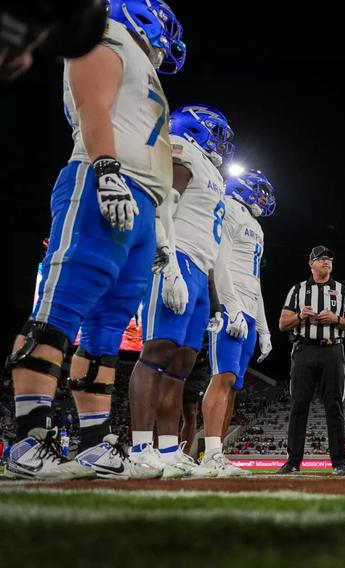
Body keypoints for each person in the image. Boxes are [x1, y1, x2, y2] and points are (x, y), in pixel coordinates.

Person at [4, 0, 185, 480]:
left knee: (106, 331)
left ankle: (94, 445)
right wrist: (106, 170)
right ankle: (28, 441)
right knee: (60, 307)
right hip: (104, 180)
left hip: (142, 200)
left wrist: (162, 231)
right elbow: (91, 102)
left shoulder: (141, 62)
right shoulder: (107, 34)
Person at [130, 104, 235, 479]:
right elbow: (163, 205)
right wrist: (168, 261)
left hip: (200, 269)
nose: (223, 142)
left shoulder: (213, 172)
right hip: (178, 258)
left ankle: (169, 450)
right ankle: (141, 448)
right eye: (217, 131)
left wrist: (215, 300)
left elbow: (211, 240)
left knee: (182, 364)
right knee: (156, 352)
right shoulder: (182, 147)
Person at [197, 169, 275, 477]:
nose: (265, 198)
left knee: (234, 387)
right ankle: (210, 453)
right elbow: (219, 262)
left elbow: (255, 281)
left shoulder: (256, 226)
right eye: (260, 190)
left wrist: (264, 327)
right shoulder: (228, 208)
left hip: (250, 311)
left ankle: (220, 454)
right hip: (233, 308)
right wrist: (231, 307)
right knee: (223, 378)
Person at [277, 245, 345, 476]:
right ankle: (293, 461)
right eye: (321, 259)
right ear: (310, 264)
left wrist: (336, 319)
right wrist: (300, 315)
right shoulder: (297, 290)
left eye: (329, 259)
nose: (326, 262)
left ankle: (339, 462)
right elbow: (283, 324)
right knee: (298, 406)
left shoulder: (342, 290)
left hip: (332, 351)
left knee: (334, 406)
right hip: (304, 350)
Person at [180, 336, 212, 459]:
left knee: (190, 413)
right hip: (174, 355)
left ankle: (184, 456)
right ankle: (160, 450)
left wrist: (202, 353)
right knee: (163, 408)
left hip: (196, 371)